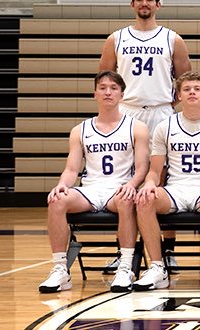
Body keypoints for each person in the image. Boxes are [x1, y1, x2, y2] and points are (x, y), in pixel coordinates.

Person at [99, 0, 192, 269]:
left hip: (162, 112)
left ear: (158, 4)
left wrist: (166, 105)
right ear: (132, 5)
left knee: (163, 180)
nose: (144, 3)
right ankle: (123, 251)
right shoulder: (116, 39)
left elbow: (185, 82)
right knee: (124, 180)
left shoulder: (172, 38)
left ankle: (167, 249)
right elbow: (106, 79)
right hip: (127, 112)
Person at [39, 71, 149, 294]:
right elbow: (72, 169)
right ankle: (60, 269)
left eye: (113, 88)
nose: (108, 92)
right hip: (89, 190)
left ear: (122, 95)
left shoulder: (137, 127)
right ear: (95, 94)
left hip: (119, 189)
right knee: (57, 200)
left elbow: (142, 168)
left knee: (127, 200)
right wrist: (62, 185)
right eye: (103, 87)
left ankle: (125, 266)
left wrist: (131, 184)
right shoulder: (80, 130)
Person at [131, 71, 200, 292]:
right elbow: (154, 171)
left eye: (197, 89)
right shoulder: (165, 127)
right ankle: (158, 268)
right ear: (178, 94)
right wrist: (150, 184)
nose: (192, 93)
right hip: (175, 189)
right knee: (144, 200)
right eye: (186, 89)